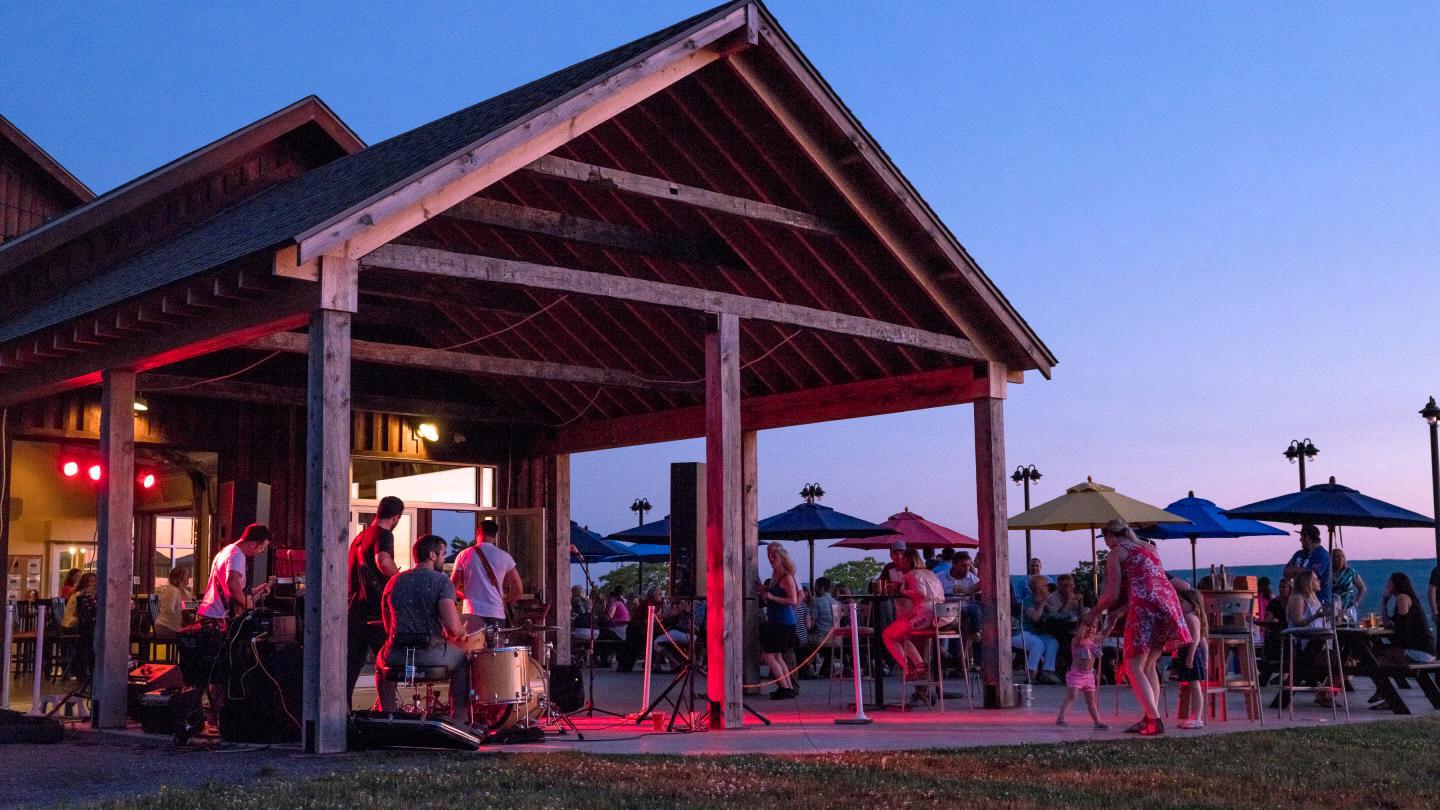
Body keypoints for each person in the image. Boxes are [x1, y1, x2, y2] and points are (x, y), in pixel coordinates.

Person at [1087, 519, 1190, 736]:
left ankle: (1154, 720)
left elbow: (1112, 594)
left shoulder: (1117, 551)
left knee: (1133, 665)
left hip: (1145, 607)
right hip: (1168, 603)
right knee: (1149, 665)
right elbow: (1150, 582)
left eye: (1105, 539)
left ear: (1109, 536)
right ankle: (1149, 717)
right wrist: (1122, 610)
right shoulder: (1149, 548)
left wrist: (1093, 612)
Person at [377, 534, 469, 721]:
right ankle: (459, 717)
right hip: (431, 655)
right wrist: (461, 632)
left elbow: (388, 625)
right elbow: (452, 626)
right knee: (462, 660)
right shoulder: (442, 581)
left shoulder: (394, 581)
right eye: (442, 554)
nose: (444, 559)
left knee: (380, 665)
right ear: (432, 555)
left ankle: (386, 713)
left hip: (397, 655)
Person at [347, 495, 403, 708]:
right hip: (376, 612)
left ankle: (344, 711)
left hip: (354, 610)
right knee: (388, 662)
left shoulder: (360, 538)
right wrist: (399, 578)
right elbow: (383, 560)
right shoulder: (384, 534)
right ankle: (387, 711)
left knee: (351, 666)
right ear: (396, 517)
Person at [881, 548, 945, 704]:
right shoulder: (930, 573)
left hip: (924, 616)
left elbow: (920, 592)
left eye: (902, 560)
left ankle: (907, 669)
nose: (899, 562)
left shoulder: (912, 574)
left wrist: (903, 589)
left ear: (908, 560)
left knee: (887, 635)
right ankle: (919, 665)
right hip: (940, 617)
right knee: (899, 634)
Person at [451, 518, 522, 630]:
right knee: (494, 647)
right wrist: (504, 602)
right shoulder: (505, 557)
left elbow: (451, 587)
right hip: (495, 613)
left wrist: (466, 596)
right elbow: (518, 589)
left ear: (478, 532)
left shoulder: (464, 554)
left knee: (473, 647)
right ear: (495, 536)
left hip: (472, 613)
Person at [197, 523, 272, 622]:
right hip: (217, 617)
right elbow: (232, 583)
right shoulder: (238, 555)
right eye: (262, 548)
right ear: (253, 544)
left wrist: (257, 590)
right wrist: (246, 604)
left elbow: (229, 588)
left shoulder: (227, 550)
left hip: (209, 613)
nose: (261, 552)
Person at [759, 543, 802, 699]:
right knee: (777, 656)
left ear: (783, 559)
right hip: (777, 619)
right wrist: (765, 593)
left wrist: (772, 597)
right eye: (770, 557)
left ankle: (785, 686)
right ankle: (787, 686)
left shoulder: (787, 578)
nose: (771, 560)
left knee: (769, 655)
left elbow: (793, 599)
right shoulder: (775, 577)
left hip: (782, 621)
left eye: (775, 557)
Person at [1055, 610, 1109, 729]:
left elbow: (1104, 634)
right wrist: (1085, 622)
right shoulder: (1077, 641)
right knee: (1072, 695)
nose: (1091, 629)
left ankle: (1097, 722)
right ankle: (1061, 718)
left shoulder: (1093, 640)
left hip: (1089, 675)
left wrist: (1113, 622)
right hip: (1076, 674)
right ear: (1080, 627)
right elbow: (1080, 635)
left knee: (1091, 700)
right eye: (1088, 626)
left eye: (1094, 627)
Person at [1012, 574, 1060, 683]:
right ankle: (1031, 673)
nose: (1048, 588)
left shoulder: (1045, 600)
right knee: (1037, 644)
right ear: (1038, 588)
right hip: (1023, 633)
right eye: (1045, 586)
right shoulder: (1028, 601)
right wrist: (1042, 604)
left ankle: (1046, 673)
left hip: (1037, 633)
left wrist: (1047, 604)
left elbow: (1054, 613)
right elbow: (1034, 617)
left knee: (1052, 642)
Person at [1174, 589, 1209, 729]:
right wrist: (1206, 660)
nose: (1179, 604)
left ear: (1192, 604)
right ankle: (1194, 716)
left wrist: (1190, 656)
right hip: (1192, 653)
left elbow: (1195, 639)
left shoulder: (1189, 617)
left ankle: (1196, 717)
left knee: (1195, 687)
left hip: (1191, 654)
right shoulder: (1195, 617)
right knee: (1193, 686)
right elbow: (1203, 641)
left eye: (1182, 602)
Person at [1283, 524, 1332, 607]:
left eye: (1301, 537)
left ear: (1308, 538)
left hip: (1320, 603)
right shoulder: (1299, 554)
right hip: (1299, 601)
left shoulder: (1322, 555)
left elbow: (1312, 575)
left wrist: (1295, 570)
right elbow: (1285, 572)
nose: (1300, 540)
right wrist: (1302, 570)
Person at [154, 567, 191, 638]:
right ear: (180, 577)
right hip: (164, 627)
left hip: (176, 626)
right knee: (190, 636)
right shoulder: (171, 590)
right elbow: (169, 610)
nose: (188, 577)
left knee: (195, 633)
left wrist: (198, 605)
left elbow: (186, 606)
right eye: (186, 575)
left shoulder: (186, 592)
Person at [1331, 549, 1366, 624]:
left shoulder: (1350, 572)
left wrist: (1356, 602)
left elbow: (1362, 588)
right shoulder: (1327, 573)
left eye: (1342, 556)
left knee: (1349, 630)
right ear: (1332, 559)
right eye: (1337, 557)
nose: (1340, 558)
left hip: (1348, 608)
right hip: (1333, 609)